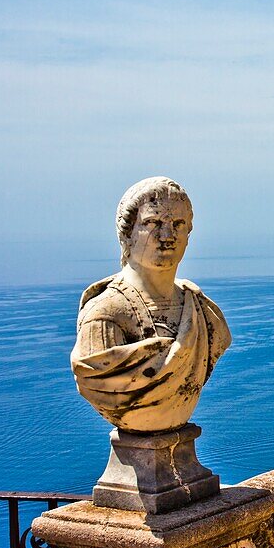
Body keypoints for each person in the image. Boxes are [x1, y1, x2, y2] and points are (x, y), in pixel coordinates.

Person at [70, 177, 231, 433]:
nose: (167, 236)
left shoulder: (202, 310)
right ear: (127, 235)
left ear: (188, 234)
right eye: (153, 223)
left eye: (177, 224)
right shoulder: (106, 314)